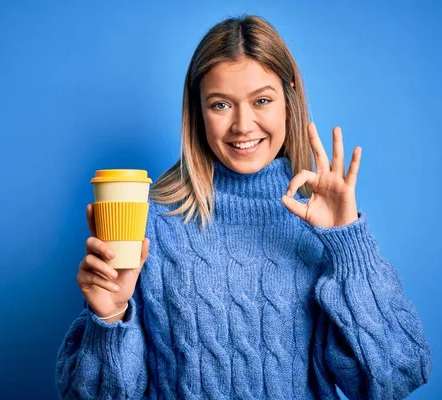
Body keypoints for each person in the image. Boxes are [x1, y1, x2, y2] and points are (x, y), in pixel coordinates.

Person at [55, 15, 432, 399]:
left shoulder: (320, 223)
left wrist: (349, 244)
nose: (242, 125)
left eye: (262, 100)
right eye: (221, 105)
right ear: (198, 112)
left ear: (290, 98)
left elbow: (396, 376)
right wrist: (110, 316)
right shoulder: (150, 223)